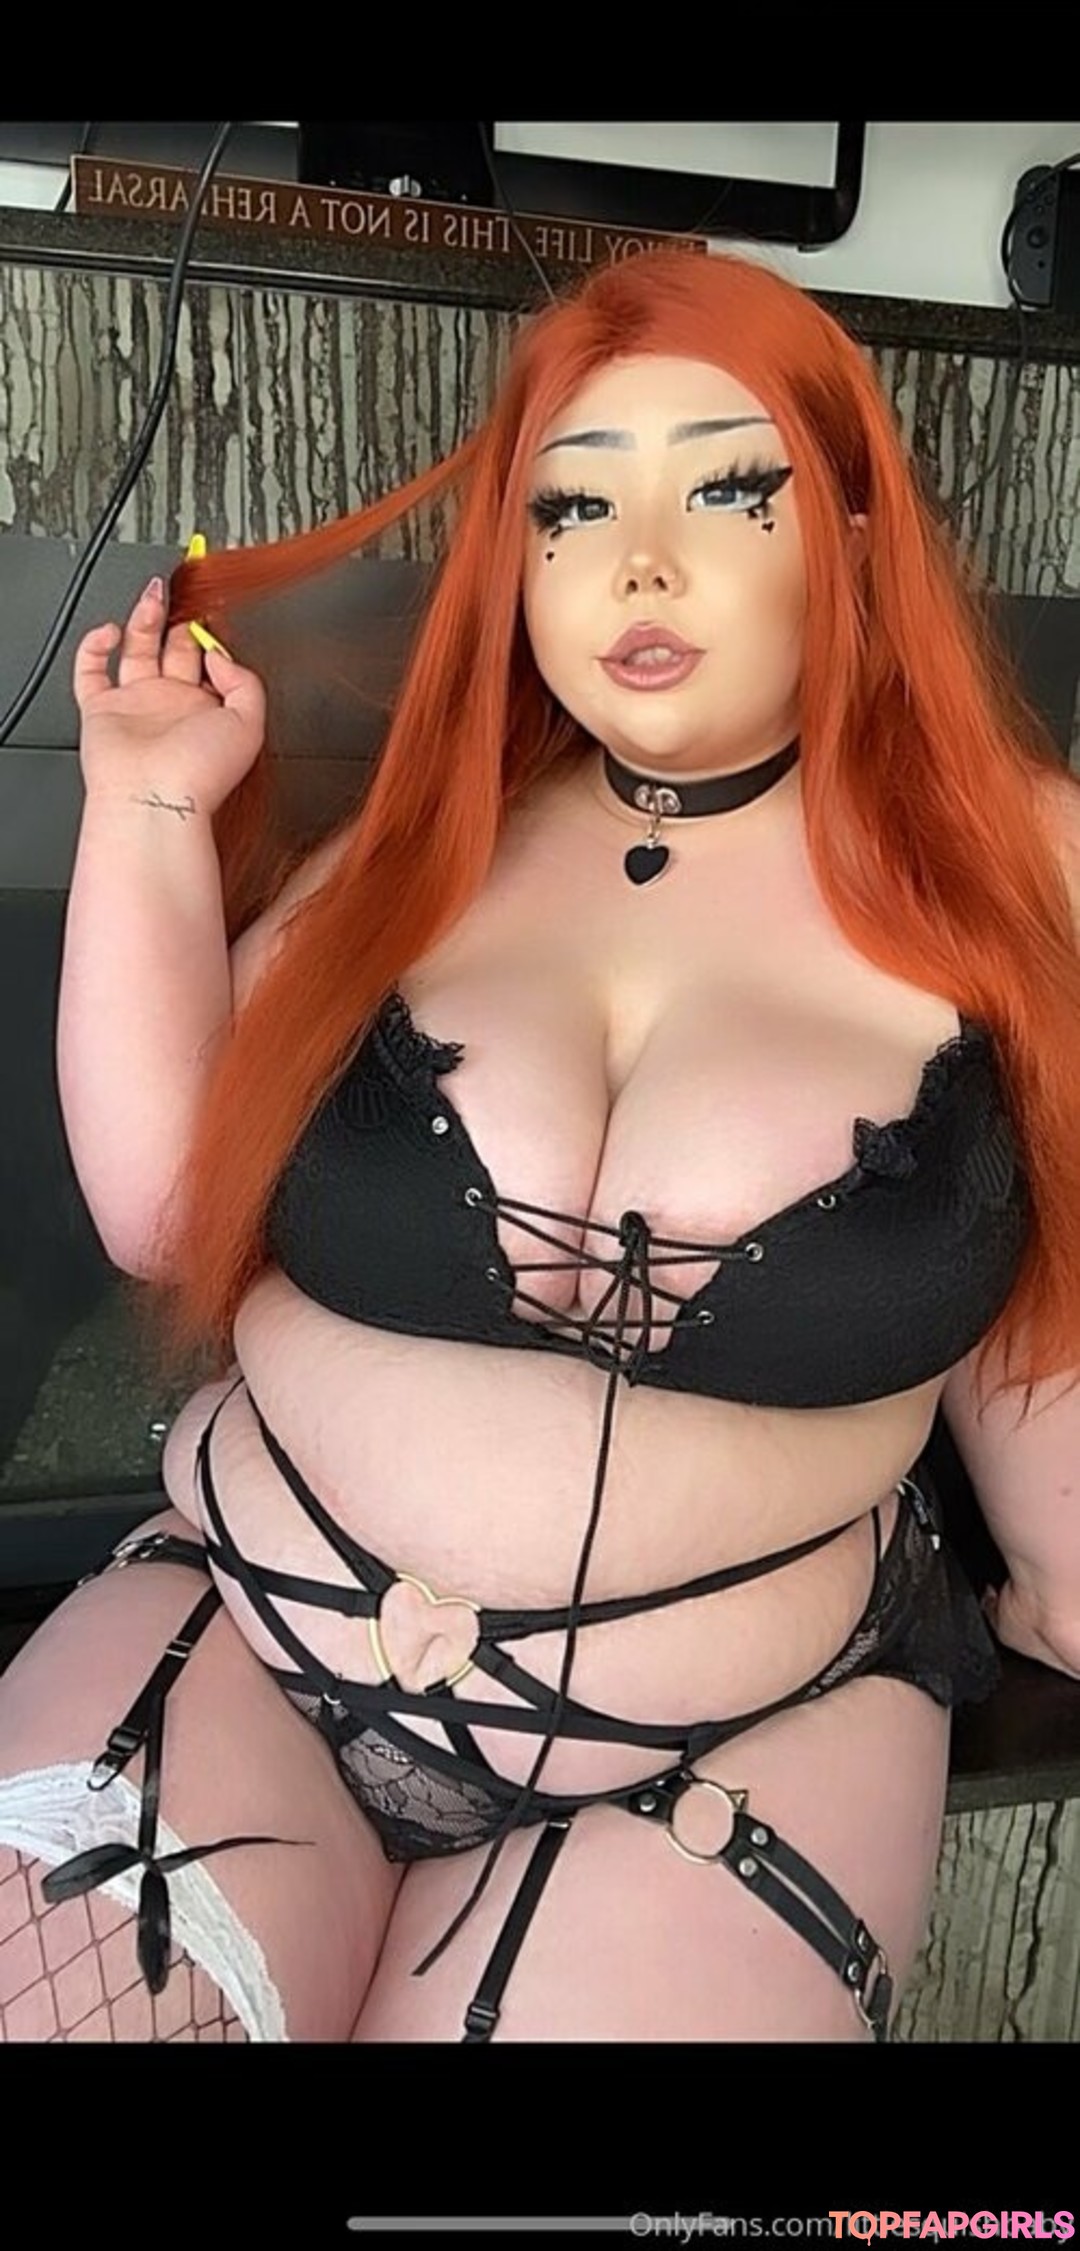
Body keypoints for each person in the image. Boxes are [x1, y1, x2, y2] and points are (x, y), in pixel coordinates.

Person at [1, 248, 1078, 2047]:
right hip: (248, 1636)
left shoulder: (1031, 861)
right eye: (573, 507)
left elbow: (1058, 1268)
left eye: (727, 489)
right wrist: (149, 803)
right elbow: (168, 1217)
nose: (638, 563)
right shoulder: (418, 847)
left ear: (855, 532)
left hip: (741, 1737)